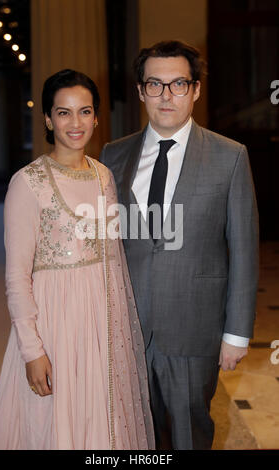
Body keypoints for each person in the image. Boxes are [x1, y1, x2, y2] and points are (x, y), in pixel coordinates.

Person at [0, 69, 155, 450]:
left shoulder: (105, 176)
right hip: (54, 328)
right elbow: (16, 277)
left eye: (84, 111)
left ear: (96, 116)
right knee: (52, 425)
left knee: (102, 424)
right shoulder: (28, 183)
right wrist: (32, 349)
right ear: (47, 118)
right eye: (63, 112)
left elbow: (113, 259)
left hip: (102, 329)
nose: (75, 123)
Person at [100, 40, 259, 450]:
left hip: (194, 330)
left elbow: (244, 250)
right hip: (127, 330)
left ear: (196, 90)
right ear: (140, 91)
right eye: (155, 84)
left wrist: (236, 334)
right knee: (133, 436)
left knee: (189, 433)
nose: (166, 96)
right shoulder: (112, 156)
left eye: (178, 84)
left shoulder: (230, 157)